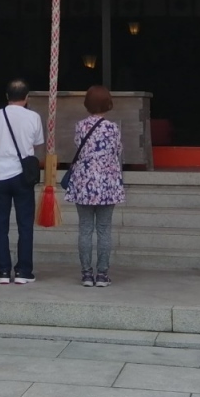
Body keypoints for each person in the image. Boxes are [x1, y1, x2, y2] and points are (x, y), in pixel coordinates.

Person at [64, 85, 126, 287]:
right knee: (104, 229)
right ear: (108, 104)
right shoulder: (112, 128)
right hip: (107, 183)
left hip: (84, 182)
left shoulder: (80, 126)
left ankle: (86, 274)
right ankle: (102, 274)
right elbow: (117, 151)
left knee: (85, 228)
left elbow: (78, 147)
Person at [0, 78, 43, 285]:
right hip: (23, 176)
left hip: (0, 174)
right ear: (27, 97)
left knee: (0, 225)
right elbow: (37, 143)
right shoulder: (33, 117)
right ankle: (23, 271)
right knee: (25, 225)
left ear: (6, 96)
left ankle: (3, 271)